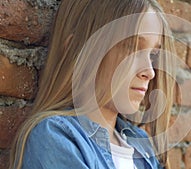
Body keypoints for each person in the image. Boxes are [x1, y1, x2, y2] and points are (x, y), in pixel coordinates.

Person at [9, 0, 176, 169]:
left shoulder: (142, 145)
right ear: (80, 53)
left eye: (153, 55)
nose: (149, 72)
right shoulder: (55, 136)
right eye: (131, 48)